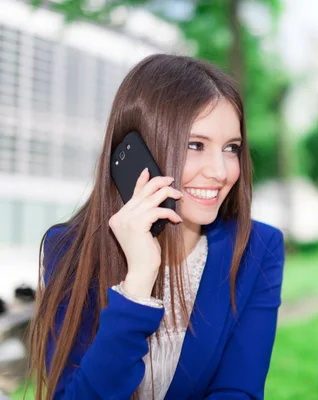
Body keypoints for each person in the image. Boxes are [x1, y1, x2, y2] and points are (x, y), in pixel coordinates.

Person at [27, 54, 286, 400]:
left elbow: (238, 390)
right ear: (138, 151)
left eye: (231, 148)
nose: (221, 171)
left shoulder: (257, 248)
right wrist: (137, 286)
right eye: (195, 145)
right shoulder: (68, 250)